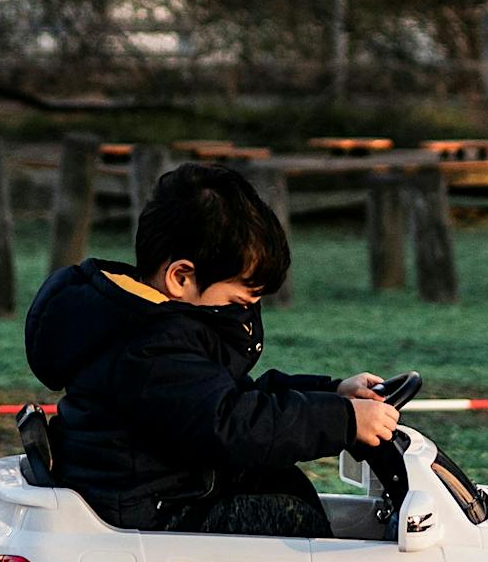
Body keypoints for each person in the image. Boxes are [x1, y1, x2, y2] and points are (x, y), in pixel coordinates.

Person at [23, 162, 400, 534]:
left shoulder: (158, 323)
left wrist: (332, 394)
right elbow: (232, 423)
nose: (245, 313)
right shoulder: (151, 348)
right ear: (181, 277)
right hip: (149, 512)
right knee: (289, 517)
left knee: (282, 482)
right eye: (238, 302)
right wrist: (343, 421)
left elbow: (233, 398)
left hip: (169, 487)